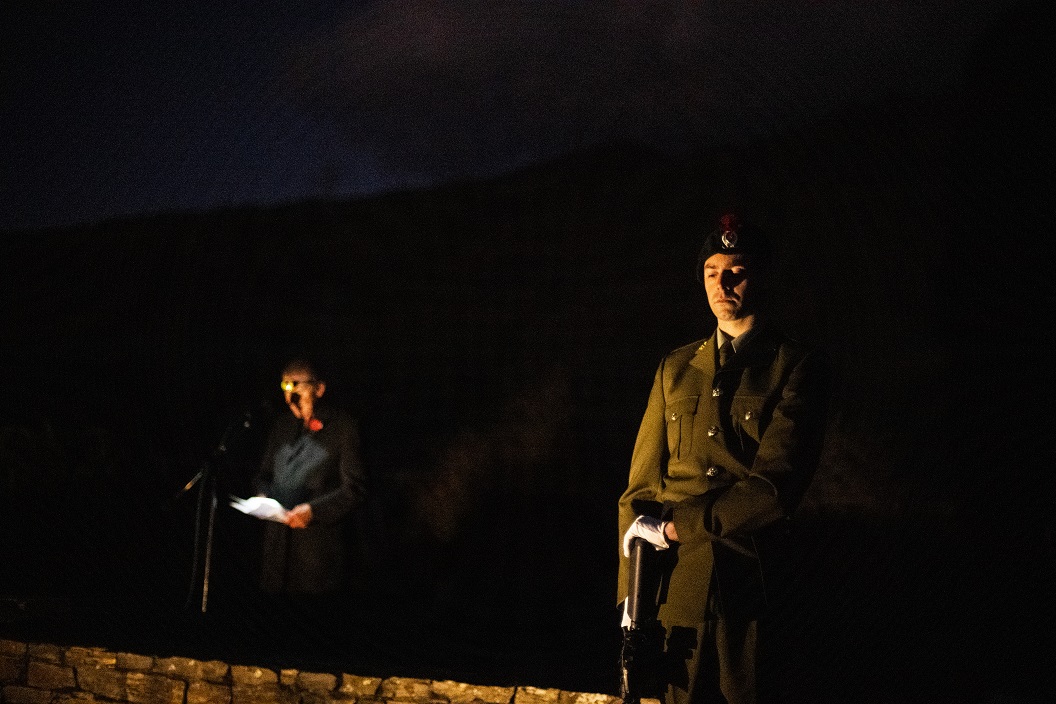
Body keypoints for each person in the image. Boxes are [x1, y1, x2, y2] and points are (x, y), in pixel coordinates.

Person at [618, 214, 828, 704]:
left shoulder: (795, 366)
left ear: (761, 278)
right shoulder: (676, 367)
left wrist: (673, 529)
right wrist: (630, 595)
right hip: (674, 593)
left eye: (736, 270)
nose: (722, 283)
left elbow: (774, 489)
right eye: (712, 272)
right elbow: (640, 490)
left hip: (751, 590)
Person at [254, 358, 367, 596]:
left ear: (319, 389)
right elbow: (262, 476)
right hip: (277, 556)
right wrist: (264, 497)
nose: (289, 394)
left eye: (296, 385)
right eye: (284, 385)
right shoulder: (282, 426)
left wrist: (314, 511)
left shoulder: (342, 427)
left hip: (316, 558)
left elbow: (354, 488)